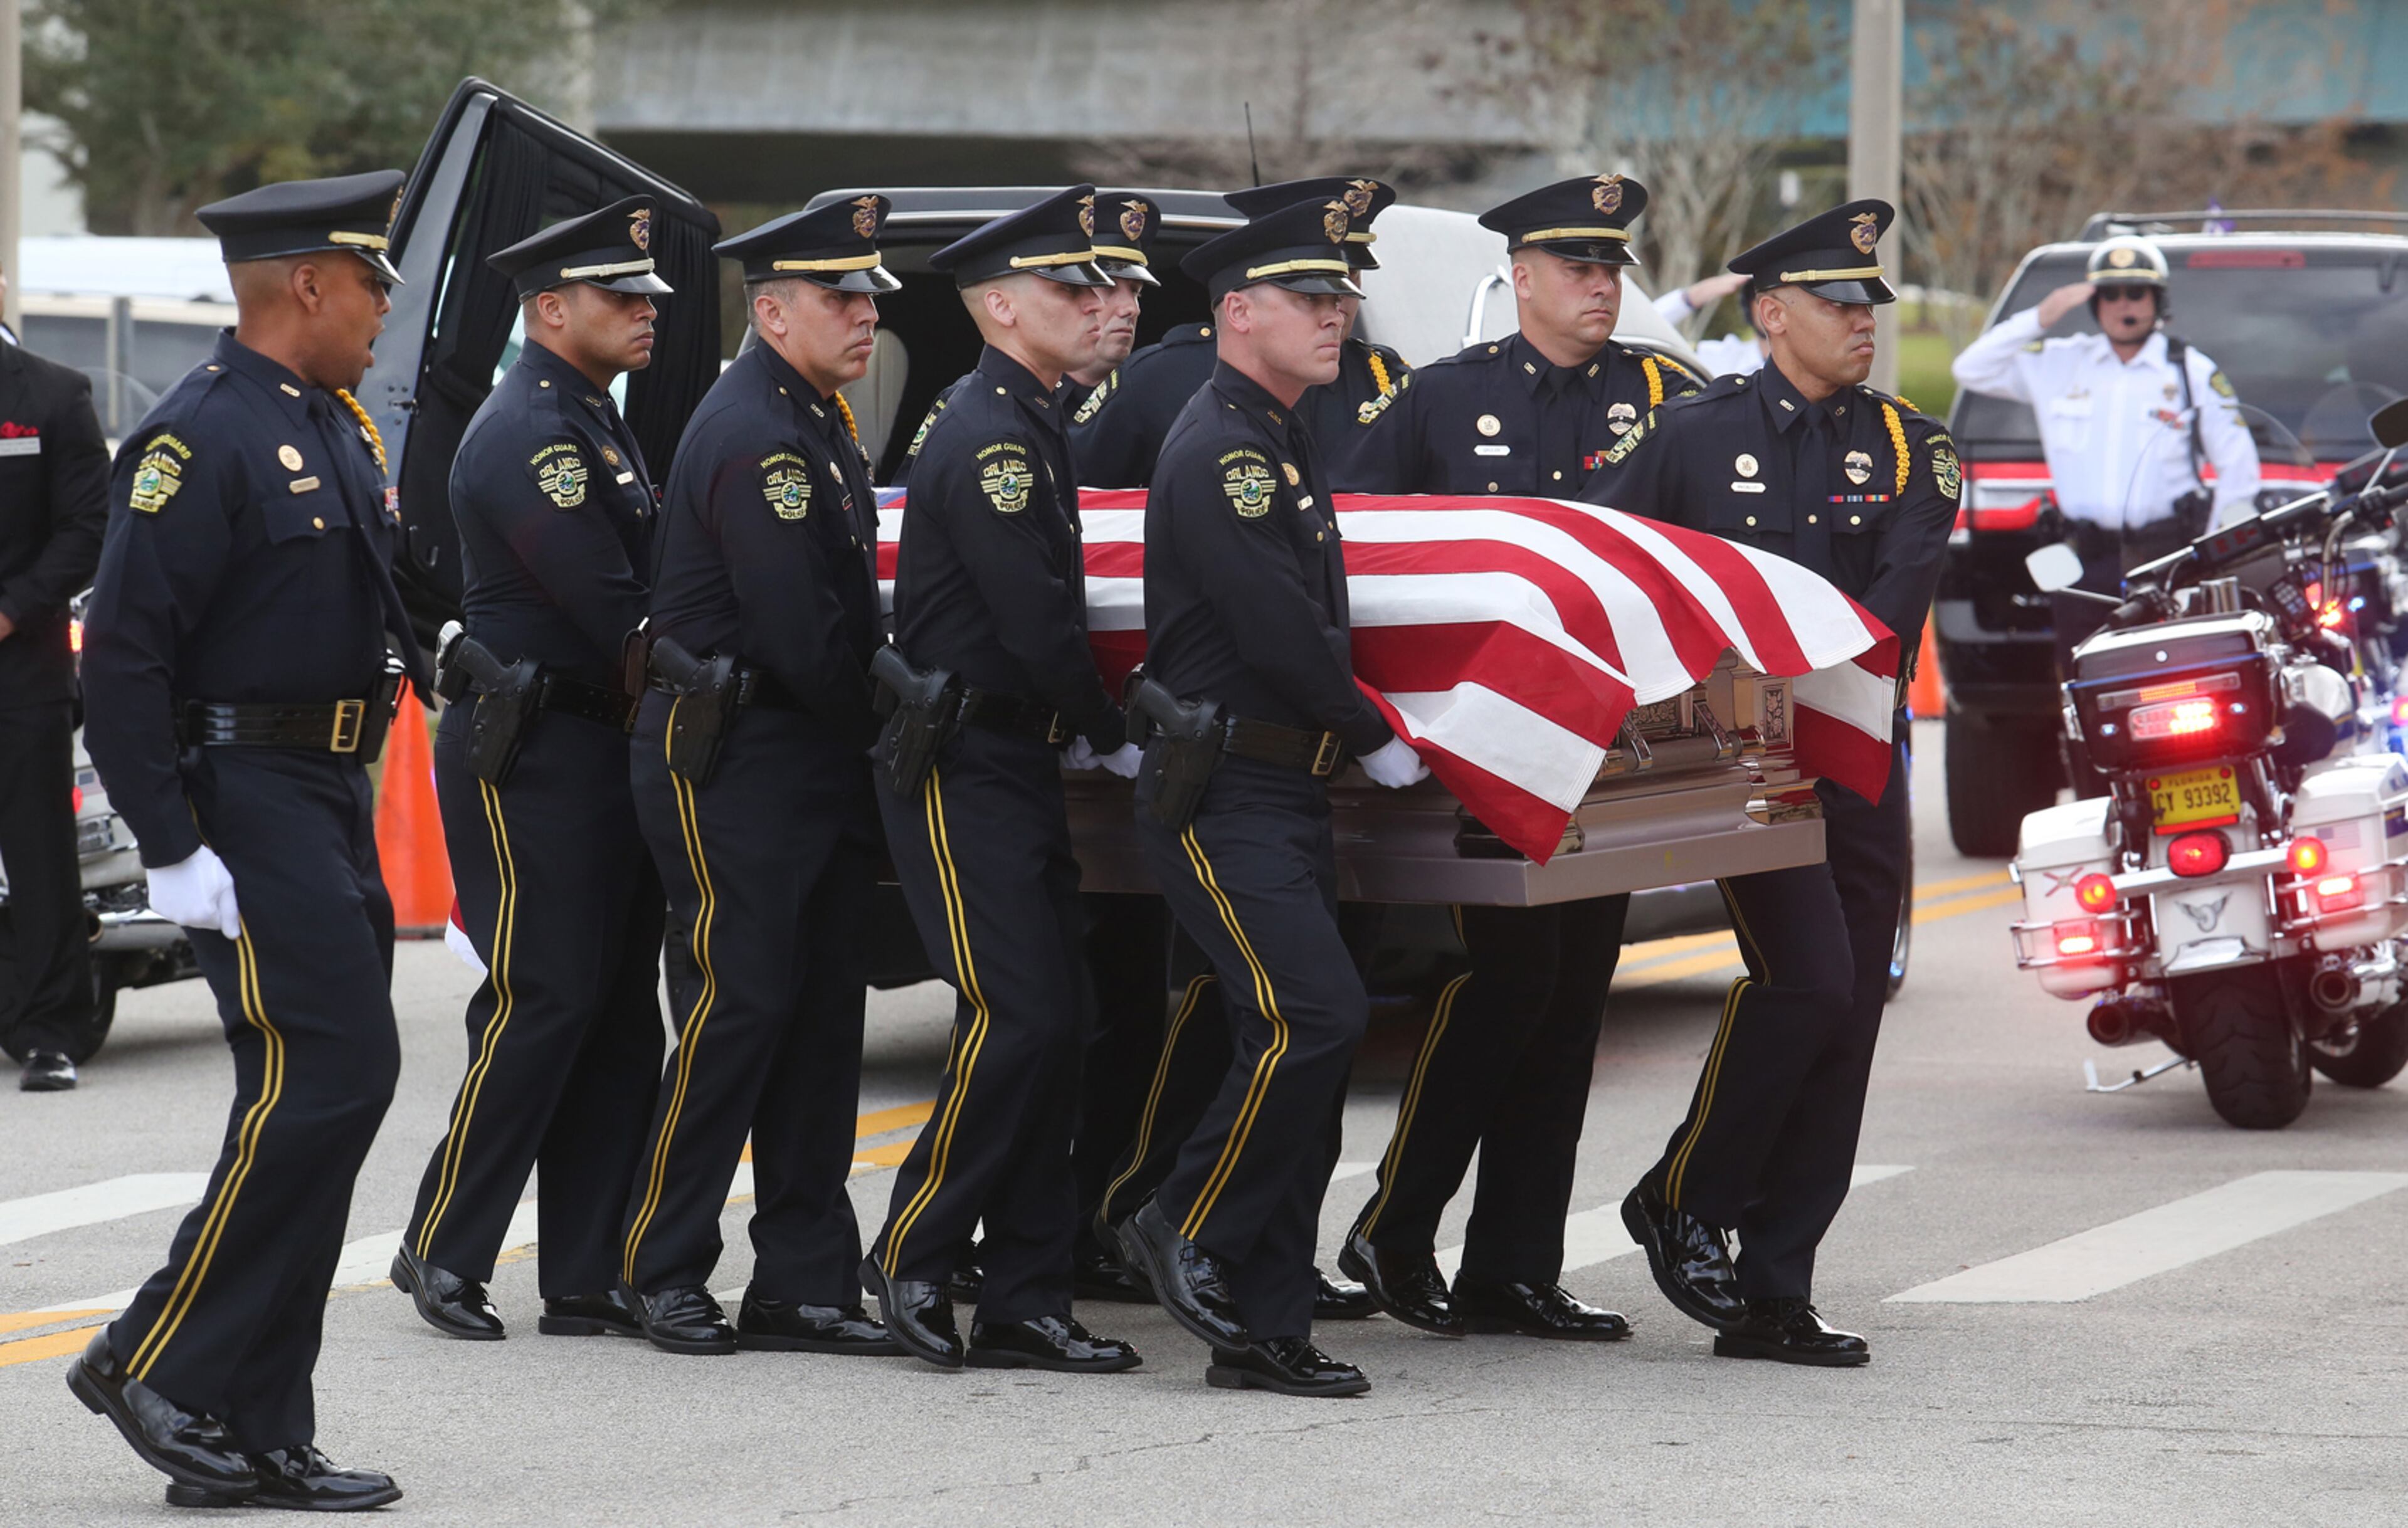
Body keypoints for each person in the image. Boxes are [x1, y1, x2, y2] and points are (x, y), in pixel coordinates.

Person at [70, 171, 424, 1510]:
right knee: (322, 1077)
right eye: (374, 281)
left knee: (333, 1093)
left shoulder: (328, 424)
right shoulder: (200, 434)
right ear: (311, 286)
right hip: (246, 794)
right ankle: (150, 1358)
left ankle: (260, 1420)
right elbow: (123, 662)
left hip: (328, 791)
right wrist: (171, 844)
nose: (388, 303)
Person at [1582, 199, 1960, 1367]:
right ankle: (1688, 1197)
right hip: (1738, 762)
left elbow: (1889, 612)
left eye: (1870, 305)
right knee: (1809, 982)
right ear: (1772, 311)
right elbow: (1620, 566)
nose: (1863, 324)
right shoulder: (1690, 437)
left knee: (1846, 1014)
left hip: (1850, 758)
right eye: (1840, 304)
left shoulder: (1912, 447)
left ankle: (1775, 1285)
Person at [1334, 173, 1699, 1343]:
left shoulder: (1671, 399)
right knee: (1513, 986)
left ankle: (1511, 1267)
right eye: (1579, 269)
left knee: (1574, 1004)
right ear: (1522, 278)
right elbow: (1355, 542)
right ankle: (1396, 1225)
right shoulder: (1444, 400)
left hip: (1618, 748)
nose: (1602, 288)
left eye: (1613, 270)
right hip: (1494, 747)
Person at [1114, 193, 1427, 1398]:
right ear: (1237, 313)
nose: (1337, 315)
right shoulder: (1226, 447)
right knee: (1316, 1018)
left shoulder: (1277, 433)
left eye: (1341, 297)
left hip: (1281, 787)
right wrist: (1373, 732)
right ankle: (1180, 1218)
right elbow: (1277, 626)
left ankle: (1266, 1325)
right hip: (1224, 786)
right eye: (1311, 298)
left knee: (1290, 1037)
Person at [857, 185, 1144, 1377]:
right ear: (1001, 306)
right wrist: (1105, 722)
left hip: (1011, 752)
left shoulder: (1031, 418)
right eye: (1072, 290)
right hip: (962, 759)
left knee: (1060, 1025)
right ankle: (914, 1252)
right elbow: (1033, 615)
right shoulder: (989, 430)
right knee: (1019, 1015)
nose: (1097, 306)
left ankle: (1027, 1295)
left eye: (1097, 289)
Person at [618, 196, 903, 1360]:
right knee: (739, 1014)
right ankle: (659, 1263)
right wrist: (893, 713)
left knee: (824, 1020)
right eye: (843, 295)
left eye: (871, 294)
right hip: (734, 760)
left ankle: (803, 1279)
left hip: (807, 754)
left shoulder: (813, 416)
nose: (868, 311)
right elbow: (798, 630)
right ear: (772, 308)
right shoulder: (757, 431)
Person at [389, 197, 671, 1344]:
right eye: (622, 296)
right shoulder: (530, 433)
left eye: (649, 294)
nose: (646, 312)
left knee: (614, 1012)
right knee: (541, 995)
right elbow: (610, 604)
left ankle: (585, 1271)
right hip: (535, 751)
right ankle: (443, 1245)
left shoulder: (597, 420)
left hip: (604, 743)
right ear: (552, 310)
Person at [1950, 233, 2260, 670]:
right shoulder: (2061, 363)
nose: (2124, 305)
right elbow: (1971, 369)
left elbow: (2239, 466)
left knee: (2172, 685)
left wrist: (2208, 558)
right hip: (2084, 561)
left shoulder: (2190, 370)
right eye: (2110, 294)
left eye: (2137, 293)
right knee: (2085, 683)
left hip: (2167, 557)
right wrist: (2043, 315)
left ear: (2157, 301)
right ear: (2095, 303)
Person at [1070, 176, 1404, 487]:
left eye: (1349, 281)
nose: (1338, 308)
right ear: (1242, 306)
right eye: (1311, 295)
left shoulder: (1386, 384)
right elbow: (1083, 505)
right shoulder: (1159, 377)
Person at [0, 280, 110, 1092]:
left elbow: (87, 528)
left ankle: (47, 1032)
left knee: (37, 853)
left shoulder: (52, 395)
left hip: (21, 666)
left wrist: (9, 612)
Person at [894, 189, 1161, 490]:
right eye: (1103, 286)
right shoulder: (981, 411)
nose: (1131, 308)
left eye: (1136, 291)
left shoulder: (1152, 403)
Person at [1654, 271, 1765, 377]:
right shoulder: (1719, 358)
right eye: (1760, 300)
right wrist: (1692, 297)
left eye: (1779, 299)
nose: (1772, 310)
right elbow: (1644, 330)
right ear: (1748, 308)